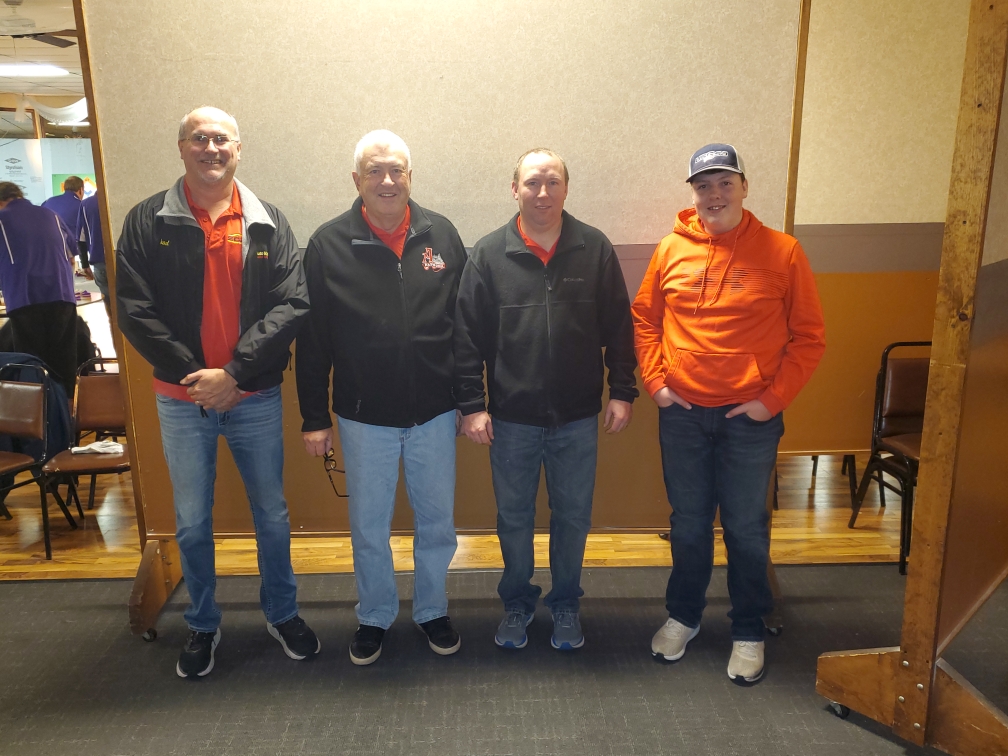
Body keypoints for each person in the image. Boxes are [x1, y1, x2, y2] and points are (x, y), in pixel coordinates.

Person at [115, 106, 318, 679]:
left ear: (238, 148)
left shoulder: (267, 221)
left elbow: (292, 303)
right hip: (182, 402)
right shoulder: (146, 220)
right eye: (199, 138)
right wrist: (197, 379)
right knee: (191, 521)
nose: (211, 148)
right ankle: (203, 623)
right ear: (182, 147)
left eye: (221, 138)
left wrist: (234, 374)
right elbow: (134, 310)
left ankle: (282, 613)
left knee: (272, 515)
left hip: (254, 398)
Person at [631, 143, 826, 685]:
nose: (714, 194)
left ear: (744, 187)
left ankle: (748, 628)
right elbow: (644, 320)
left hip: (750, 420)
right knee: (689, 524)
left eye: (725, 182)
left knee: (744, 528)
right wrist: (656, 384)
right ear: (693, 193)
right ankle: (684, 616)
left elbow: (809, 337)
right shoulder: (671, 249)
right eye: (703, 185)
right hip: (683, 415)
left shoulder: (783, 252)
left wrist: (771, 401)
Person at [454, 148, 638, 651]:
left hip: (577, 418)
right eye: (533, 182)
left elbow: (619, 327)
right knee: (513, 519)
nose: (543, 192)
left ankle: (566, 604)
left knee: (573, 517)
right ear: (514, 189)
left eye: (553, 182)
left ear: (566, 188)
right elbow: (466, 338)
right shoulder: (488, 254)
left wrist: (623, 390)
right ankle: (517, 603)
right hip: (511, 420)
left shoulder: (594, 248)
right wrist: (472, 405)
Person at [296, 130, 467, 666]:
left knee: (436, 523)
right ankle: (374, 614)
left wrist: (468, 401)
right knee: (369, 527)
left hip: (435, 414)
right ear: (357, 180)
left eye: (396, 170)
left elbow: (464, 329)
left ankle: (432, 609)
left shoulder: (442, 235)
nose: (387, 180)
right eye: (375, 171)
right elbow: (313, 340)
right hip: (363, 417)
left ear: (410, 177)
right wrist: (313, 417)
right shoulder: (328, 244)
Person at [0, 182, 77, 395]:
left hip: (25, 297)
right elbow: (71, 256)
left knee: (32, 363)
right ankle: (69, 408)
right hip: (62, 295)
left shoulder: (2, 219)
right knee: (64, 360)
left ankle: (39, 412)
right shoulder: (51, 214)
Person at [42, 175, 91, 280]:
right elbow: (84, 236)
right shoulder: (82, 206)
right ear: (81, 190)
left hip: (45, 251)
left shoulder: (48, 201)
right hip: (66, 253)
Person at [77, 192, 111, 319]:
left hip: (99, 260)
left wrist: (85, 264)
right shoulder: (118, 197)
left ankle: (113, 326)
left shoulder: (86, 204)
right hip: (123, 260)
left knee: (108, 300)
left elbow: (81, 238)